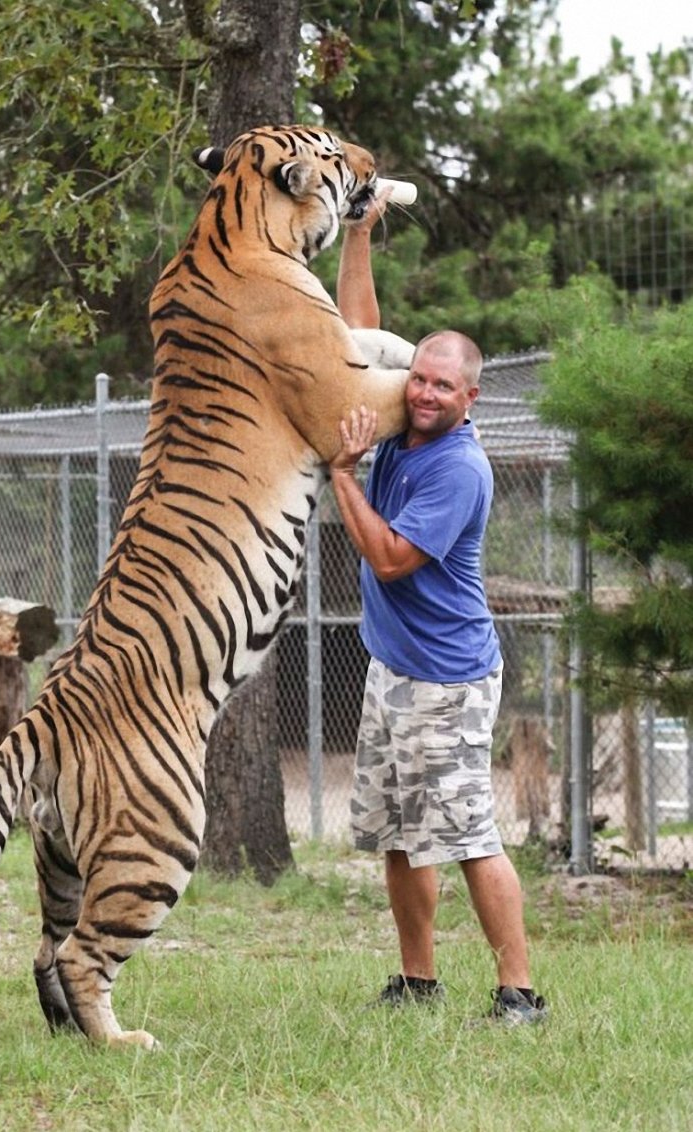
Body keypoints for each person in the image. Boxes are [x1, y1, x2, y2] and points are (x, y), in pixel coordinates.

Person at [329, 194, 547, 1025]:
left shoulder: (458, 468)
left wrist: (341, 472)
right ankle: (417, 980)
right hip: (394, 672)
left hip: (448, 683)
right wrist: (358, 232)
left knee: (465, 838)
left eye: (442, 385)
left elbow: (388, 561)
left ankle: (519, 992)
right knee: (397, 832)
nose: (423, 393)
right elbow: (357, 337)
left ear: (471, 397)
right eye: (418, 376)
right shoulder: (400, 419)